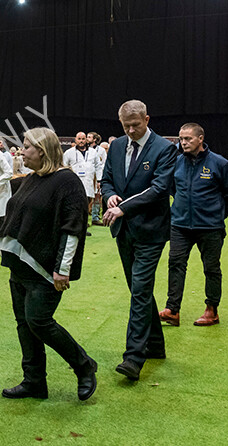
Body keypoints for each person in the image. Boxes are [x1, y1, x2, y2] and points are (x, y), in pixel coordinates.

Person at [0, 127, 97, 401]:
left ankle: (84, 366)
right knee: (24, 323)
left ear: (42, 150)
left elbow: (72, 228)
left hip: (44, 269)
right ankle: (34, 381)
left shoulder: (68, 182)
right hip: (20, 266)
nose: (21, 150)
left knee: (38, 321)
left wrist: (63, 269)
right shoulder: (33, 178)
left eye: (26, 146)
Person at [101, 100, 177, 381]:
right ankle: (156, 345)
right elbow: (107, 179)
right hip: (123, 230)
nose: (131, 130)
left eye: (136, 124)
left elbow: (159, 189)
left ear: (147, 119)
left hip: (151, 231)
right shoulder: (118, 146)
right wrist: (109, 194)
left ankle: (134, 357)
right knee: (138, 289)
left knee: (141, 290)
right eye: (126, 126)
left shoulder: (165, 148)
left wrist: (124, 207)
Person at [158, 123, 228, 328]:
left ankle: (212, 310)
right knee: (175, 264)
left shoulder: (220, 163)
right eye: (181, 139)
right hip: (180, 225)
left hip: (210, 228)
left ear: (200, 139)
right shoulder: (176, 163)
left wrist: (216, 216)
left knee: (211, 269)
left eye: (188, 139)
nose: (183, 142)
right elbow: (174, 190)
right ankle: (172, 310)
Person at [63, 132, 101, 237]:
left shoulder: (93, 152)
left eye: (83, 139)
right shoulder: (69, 153)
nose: (81, 141)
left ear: (86, 140)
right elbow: (64, 166)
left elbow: (98, 166)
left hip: (88, 183)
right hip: (74, 184)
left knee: (86, 207)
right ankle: (73, 228)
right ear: (75, 140)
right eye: (79, 139)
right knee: (74, 207)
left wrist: (99, 180)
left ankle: (83, 229)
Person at [87, 132, 106, 225]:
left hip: (97, 175)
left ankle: (95, 217)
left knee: (97, 196)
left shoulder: (101, 150)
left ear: (94, 139)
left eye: (89, 137)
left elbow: (104, 163)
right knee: (87, 196)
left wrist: (99, 178)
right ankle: (85, 219)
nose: (87, 139)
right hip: (88, 175)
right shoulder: (85, 150)